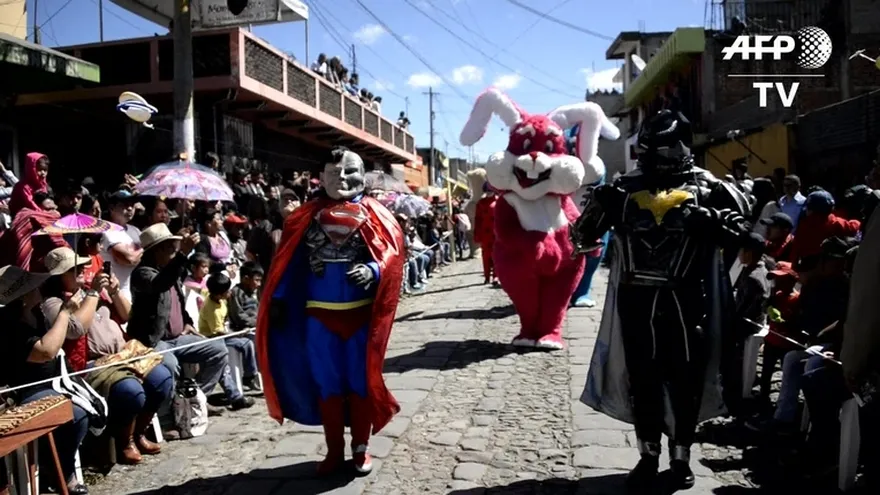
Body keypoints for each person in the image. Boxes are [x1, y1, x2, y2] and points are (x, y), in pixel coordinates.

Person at [571, 109, 750, 491]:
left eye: (662, 149)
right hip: (636, 298)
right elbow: (581, 239)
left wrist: (714, 223)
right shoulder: (623, 187)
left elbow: (748, 239)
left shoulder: (708, 186)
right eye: (649, 149)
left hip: (687, 297)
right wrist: (601, 208)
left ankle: (681, 457)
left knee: (686, 379)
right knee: (642, 379)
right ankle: (648, 455)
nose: (654, 158)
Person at [257, 146, 405, 475]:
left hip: (361, 318)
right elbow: (289, 264)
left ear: (363, 175)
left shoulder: (376, 214)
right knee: (328, 385)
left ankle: (361, 448)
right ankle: (334, 450)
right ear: (321, 177)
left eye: (351, 171)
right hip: (319, 318)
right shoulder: (305, 217)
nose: (343, 177)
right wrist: (278, 299)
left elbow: (393, 254)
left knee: (360, 382)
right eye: (335, 172)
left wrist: (375, 269)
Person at [40, 247, 173, 465]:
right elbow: (76, 330)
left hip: (124, 354)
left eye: (81, 266)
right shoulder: (53, 303)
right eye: (73, 269)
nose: (81, 270)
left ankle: (139, 432)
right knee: (131, 391)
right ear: (58, 276)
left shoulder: (91, 291)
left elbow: (127, 315)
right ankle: (125, 442)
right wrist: (93, 294)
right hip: (92, 364)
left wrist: (114, 292)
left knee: (162, 378)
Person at [128, 223, 254, 411]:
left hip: (178, 338)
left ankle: (196, 399)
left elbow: (177, 303)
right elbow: (159, 284)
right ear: (157, 250)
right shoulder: (142, 273)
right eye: (170, 249)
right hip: (154, 341)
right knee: (170, 365)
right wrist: (182, 255)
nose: (173, 253)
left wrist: (187, 322)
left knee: (218, 350)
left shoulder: (170, 271)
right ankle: (171, 411)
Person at [0, 265, 90, 495]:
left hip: (55, 380)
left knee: (88, 403)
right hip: (25, 390)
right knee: (75, 414)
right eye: (33, 288)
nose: (39, 289)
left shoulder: (36, 313)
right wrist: (65, 312)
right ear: (22, 297)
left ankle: (61, 466)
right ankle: (61, 472)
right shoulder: (8, 324)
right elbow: (46, 351)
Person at [200, 272, 260, 392]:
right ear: (219, 294)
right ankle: (249, 376)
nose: (230, 292)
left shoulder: (218, 299)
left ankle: (250, 374)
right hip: (213, 338)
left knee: (251, 340)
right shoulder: (213, 310)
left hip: (225, 331)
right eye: (227, 291)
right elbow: (218, 332)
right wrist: (238, 334)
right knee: (246, 343)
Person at [101, 191, 143, 303]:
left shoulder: (135, 230)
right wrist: (143, 249)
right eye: (125, 205)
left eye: (132, 205)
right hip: (114, 293)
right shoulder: (107, 230)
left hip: (134, 292)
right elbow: (128, 259)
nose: (130, 208)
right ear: (111, 208)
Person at [9, 152, 49, 217]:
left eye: (45, 170)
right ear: (31, 169)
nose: (43, 173)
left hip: (39, 214)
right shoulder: (23, 187)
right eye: (39, 170)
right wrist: (44, 214)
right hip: (22, 217)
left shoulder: (43, 185)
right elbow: (30, 203)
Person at [473, 184, 498, 285]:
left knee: (496, 255)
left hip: (496, 233)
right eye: (487, 191)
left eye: (490, 191)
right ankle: (487, 276)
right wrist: (477, 233)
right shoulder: (481, 203)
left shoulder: (499, 202)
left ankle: (496, 276)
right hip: (485, 234)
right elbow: (477, 219)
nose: (488, 193)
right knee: (486, 256)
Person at [229, 261, 262, 332]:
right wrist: (257, 322)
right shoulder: (236, 292)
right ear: (246, 279)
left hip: (257, 326)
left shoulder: (253, 292)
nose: (259, 284)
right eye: (257, 280)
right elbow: (238, 315)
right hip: (243, 330)